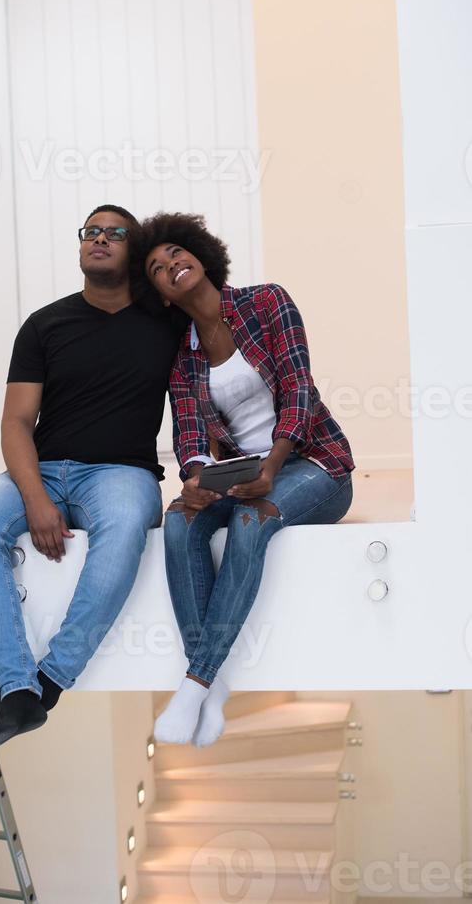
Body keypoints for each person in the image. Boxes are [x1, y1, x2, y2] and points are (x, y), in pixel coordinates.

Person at [0, 205, 184, 748]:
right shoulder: (45, 324)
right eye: (91, 232)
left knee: (128, 527)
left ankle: (50, 681)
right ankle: (15, 690)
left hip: (121, 473)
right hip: (44, 466)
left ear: (136, 250)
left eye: (115, 233)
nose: (99, 239)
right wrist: (34, 496)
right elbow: (15, 422)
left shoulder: (167, 325)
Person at [137, 212, 355, 748]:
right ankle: (212, 685)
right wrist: (194, 479)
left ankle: (197, 686)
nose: (171, 266)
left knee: (251, 521)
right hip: (238, 472)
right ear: (160, 294)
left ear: (200, 254)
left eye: (175, 254)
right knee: (179, 523)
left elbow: (299, 390)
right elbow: (187, 433)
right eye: (158, 268)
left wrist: (272, 468)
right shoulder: (182, 358)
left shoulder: (265, 302)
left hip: (312, 463)